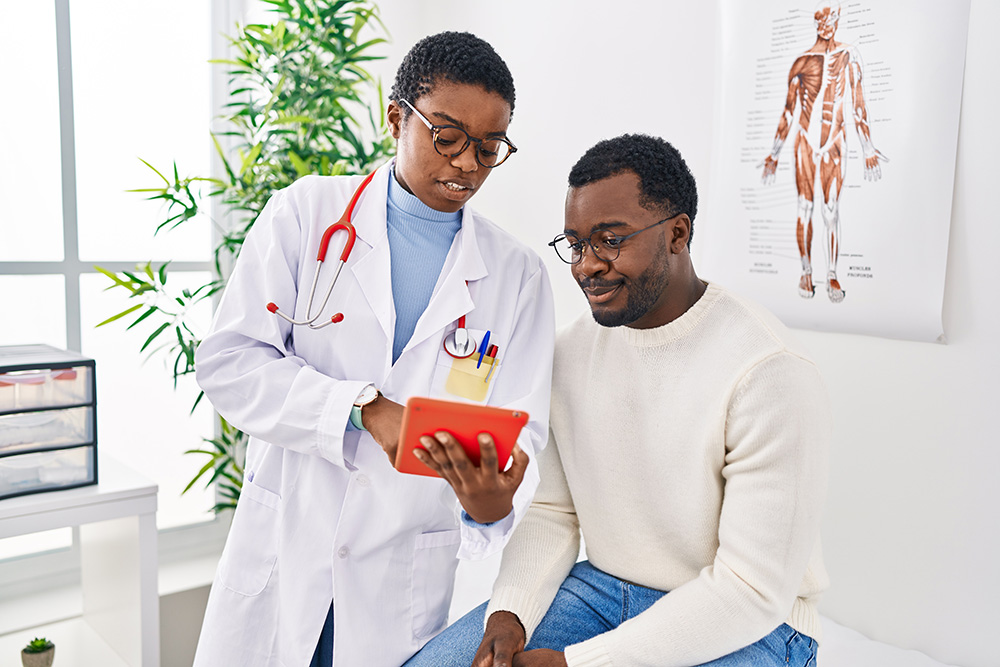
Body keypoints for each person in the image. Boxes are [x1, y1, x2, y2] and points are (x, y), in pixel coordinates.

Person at [192, 32, 555, 667]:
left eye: (489, 147)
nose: (467, 164)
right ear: (396, 118)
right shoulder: (306, 214)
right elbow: (230, 362)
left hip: (398, 581)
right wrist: (363, 408)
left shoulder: (517, 274)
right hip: (287, 551)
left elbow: (521, 431)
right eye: (448, 136)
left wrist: (489, 507)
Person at [406, 133, 831, 667]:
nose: (586, 265)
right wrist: (508, 615)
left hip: (756, 623)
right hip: (605, 589)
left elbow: (751, 590)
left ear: (677, 234)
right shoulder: (568, 353)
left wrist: (578, 663)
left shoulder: (767, 371)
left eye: (610, 240)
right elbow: (552, 510)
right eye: (575, 244)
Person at [760, 1, 886, 303]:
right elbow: (789, 111)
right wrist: (774, 153)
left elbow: (857, 103)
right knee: (804, 207)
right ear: (816, 22)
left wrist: (868, 147)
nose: (827, 25)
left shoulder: (849, 55)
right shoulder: (802, 61)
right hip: (805, 141)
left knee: (831, 211)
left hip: (834, 141)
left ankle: (831, 273)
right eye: (821, 20)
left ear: (837, 19)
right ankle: (806, 271)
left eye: (831, 19)